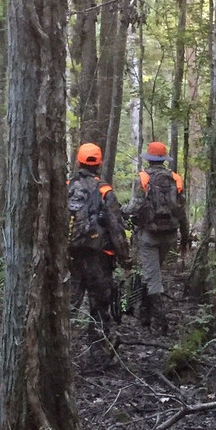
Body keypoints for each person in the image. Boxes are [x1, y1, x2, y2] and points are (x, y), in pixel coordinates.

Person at [67, 143, 131, 342]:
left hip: (71, 255)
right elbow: (117, 229)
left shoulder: (66, 187)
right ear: (99, 164)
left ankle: (60, 346)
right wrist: (125, 259)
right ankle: (99, 349)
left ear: (78, 162)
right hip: (99, 258)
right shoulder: (105, 191)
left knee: (69, 303)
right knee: (101, 304)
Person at [124, 141, 190, 333]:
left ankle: (162, 323)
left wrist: (120, 211)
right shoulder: (176, 179)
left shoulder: (143, 178)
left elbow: (135, 206)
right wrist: (184, 237)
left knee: (153, 279)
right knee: (151, 273)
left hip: (148, 237)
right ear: (164, 159)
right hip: (169, 236)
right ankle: (144, 315)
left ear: (149, 159)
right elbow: (181, 211)